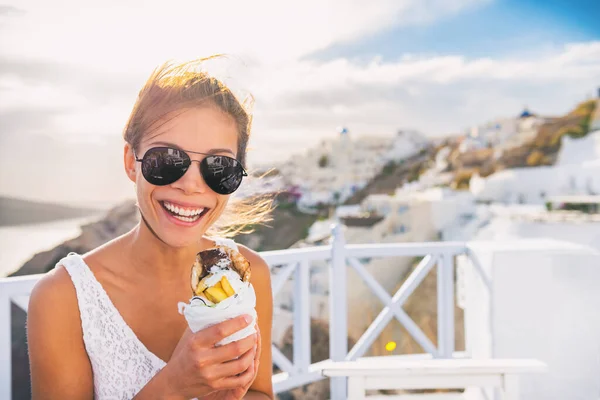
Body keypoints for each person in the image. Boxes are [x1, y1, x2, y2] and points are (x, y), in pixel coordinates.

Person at [27, 57, 274, 399]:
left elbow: (261, 393)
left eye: (219, 166)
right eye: (167, 160)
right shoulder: (62, 299)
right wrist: (173, 386)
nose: (191, 185)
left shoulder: (250, 274)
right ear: (131, 162)